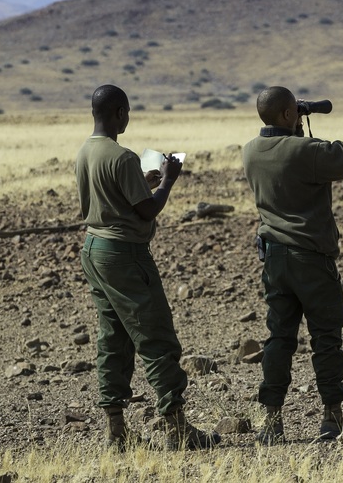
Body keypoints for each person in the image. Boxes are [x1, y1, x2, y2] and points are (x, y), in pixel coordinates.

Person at [241, 86, 343, 444]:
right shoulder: (306, 151)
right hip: (311, 260)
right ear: (287, 115)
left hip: (274, 260)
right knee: (326, 340)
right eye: (295, 112)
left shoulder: (250, 151)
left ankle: (271, 420)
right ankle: (331, 415)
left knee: (279, 340)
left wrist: (294, 124)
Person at [75, 84, 220, 451]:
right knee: (155, 337)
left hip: (94, 249)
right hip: (124, 254)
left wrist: (143, 184)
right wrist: (168, 181)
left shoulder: (85, 151)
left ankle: (116, 430)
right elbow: (147, 211)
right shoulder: (122, 157)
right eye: (127, 113)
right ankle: (177, 429)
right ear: (120, 113)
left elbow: (116, 198)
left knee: (113, 338)